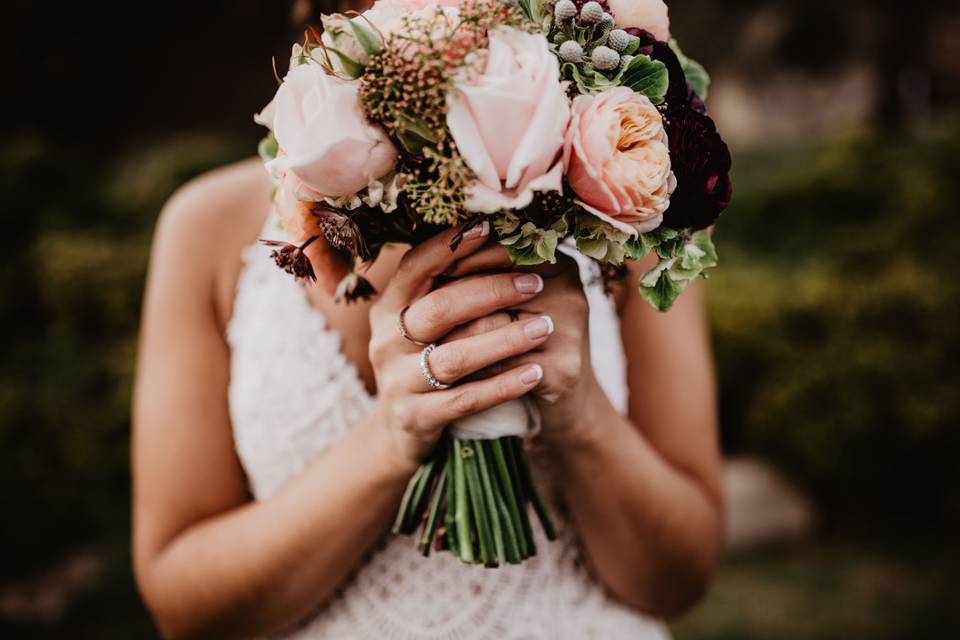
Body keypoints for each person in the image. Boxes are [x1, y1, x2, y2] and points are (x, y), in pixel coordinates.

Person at [132, 8, 723, 640]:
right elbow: (183, 604)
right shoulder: (205, 229)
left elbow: (682, 576)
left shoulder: (629, 202)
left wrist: (581, 417)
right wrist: (391, 438)